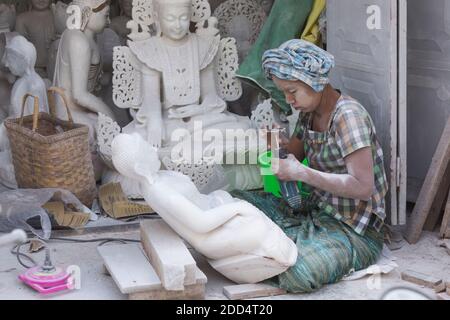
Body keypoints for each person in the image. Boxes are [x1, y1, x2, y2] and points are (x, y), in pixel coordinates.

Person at [232, 39, 388, 292]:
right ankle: (287, 245)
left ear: (315, 81)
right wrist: (276, 144)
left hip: (353, 228)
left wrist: (302, 173)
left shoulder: (348, 117)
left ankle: (290, 248)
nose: (288, 99)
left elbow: (362, 187)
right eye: (284, 92)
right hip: (317, 210)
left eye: (292, 91)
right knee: (236, 201)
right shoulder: (308, 114)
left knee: (299, 274)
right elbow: (292, 155)